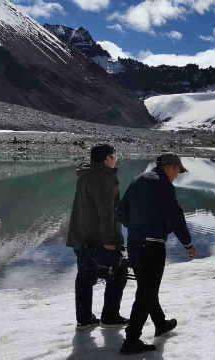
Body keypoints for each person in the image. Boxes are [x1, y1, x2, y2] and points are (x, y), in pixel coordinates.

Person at [116, 152, 197, 355]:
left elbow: (120, 211)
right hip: (152, 247)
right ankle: (131, 340)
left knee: (146, 287)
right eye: (178, 170)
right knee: (146, 292)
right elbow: (175, 216)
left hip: (135, 244)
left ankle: (160, 323)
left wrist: (135, 228)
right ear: (169, 167)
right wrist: (188, 244)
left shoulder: (138, 180)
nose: (177, 175)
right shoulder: (163, 184)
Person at [66, 143, 128, 330]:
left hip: (81, 237)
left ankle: (84, 319)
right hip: (97, 239)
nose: (116, 159)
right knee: (119, 274)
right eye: (114, 156)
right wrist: (110, 241)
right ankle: (110, 317)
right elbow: (106, 212)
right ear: (107, 158)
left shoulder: (86, 174)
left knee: (84, 277)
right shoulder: (103, 178)